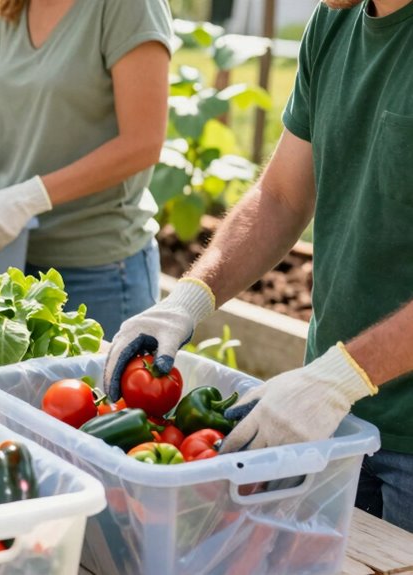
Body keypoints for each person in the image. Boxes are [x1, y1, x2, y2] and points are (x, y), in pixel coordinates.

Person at [103, 0, 413, 532]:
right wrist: (188, 299)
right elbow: (281, 197)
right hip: (332, 421)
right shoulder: (335, 20)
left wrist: (342, 377)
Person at [0, 0, 173, 337]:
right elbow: (17, 111)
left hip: (100, 272)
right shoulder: (14, 6)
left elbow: (142, 143)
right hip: (16, 259)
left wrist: (30, 198)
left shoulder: (127, 7)